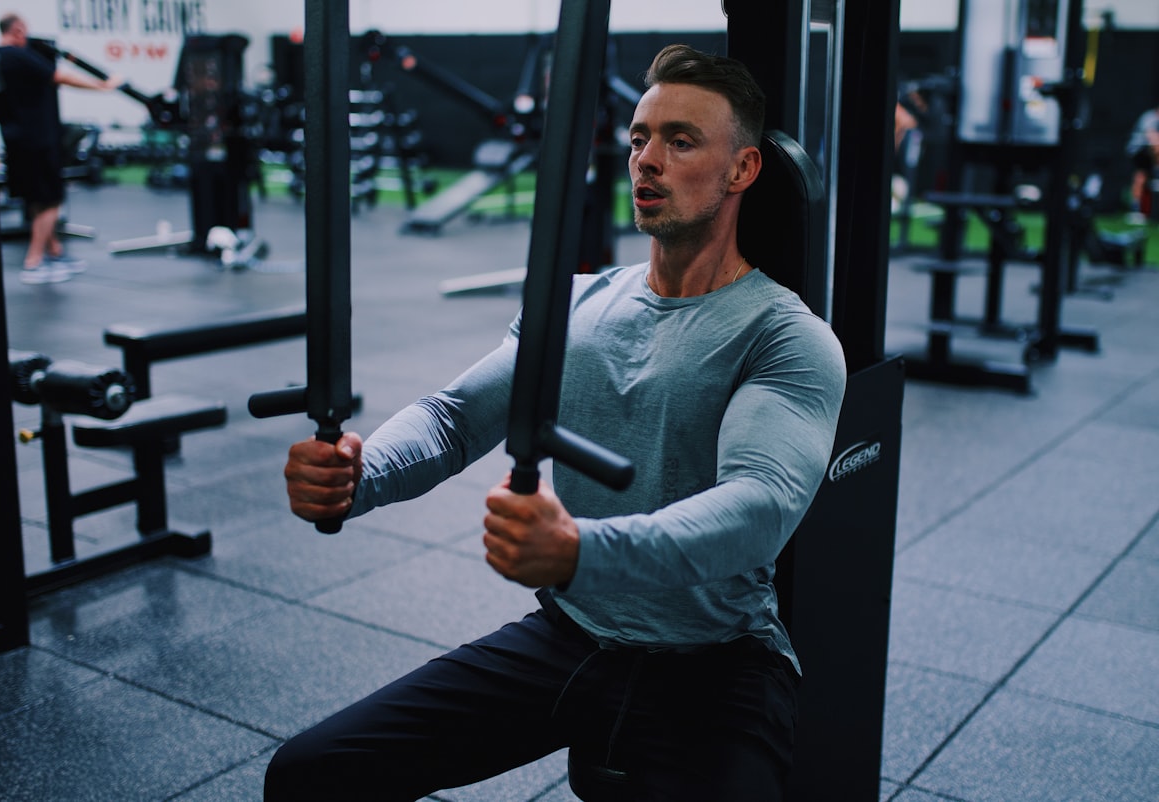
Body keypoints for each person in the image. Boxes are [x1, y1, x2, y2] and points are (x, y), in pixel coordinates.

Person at [267, 44, 846, 801]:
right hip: (573, 635)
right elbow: (451, 421)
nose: (647, 160)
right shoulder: (573, 306)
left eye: (680, 141)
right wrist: (358, 474)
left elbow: (759, 505)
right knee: (309, 776)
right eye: (640, 138)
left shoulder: (783, 335)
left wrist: (578, 551)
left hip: (717, 662)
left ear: (741, 170)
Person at [0, 13, 121, 283]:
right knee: (52, 200)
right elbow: (61, 76)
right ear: (18, 30)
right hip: (38, 139)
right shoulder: (18, 55)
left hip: (16, 139)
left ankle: (54, 251)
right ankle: (34, 262)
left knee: (37, 198)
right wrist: (102, 86)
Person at [1126, 103, 1159, 221]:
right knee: (1141, 176)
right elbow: (1152, 138)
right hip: (1139, 150)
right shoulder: (1149, 117)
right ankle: (1135, 209)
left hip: (1150, 155)